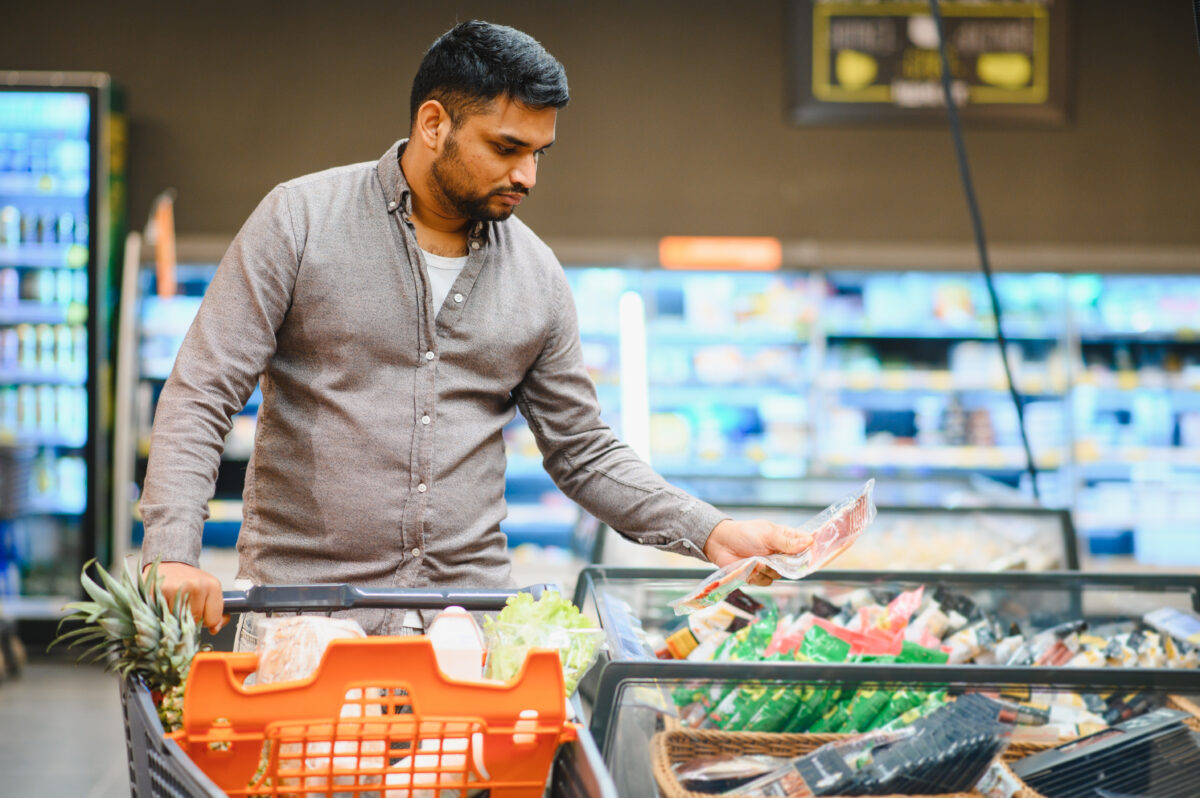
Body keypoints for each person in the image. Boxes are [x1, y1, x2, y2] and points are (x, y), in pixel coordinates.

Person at [141, 20, 811, 639]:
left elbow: (582, 449)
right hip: (306, 617)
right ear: (434, 123)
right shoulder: (300, 221)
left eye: (540, 153)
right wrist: (171, 554)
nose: (527, 175)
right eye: (507, 147)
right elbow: (203, 391)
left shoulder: (537, 276)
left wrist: (712, 531)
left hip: (466, 625)